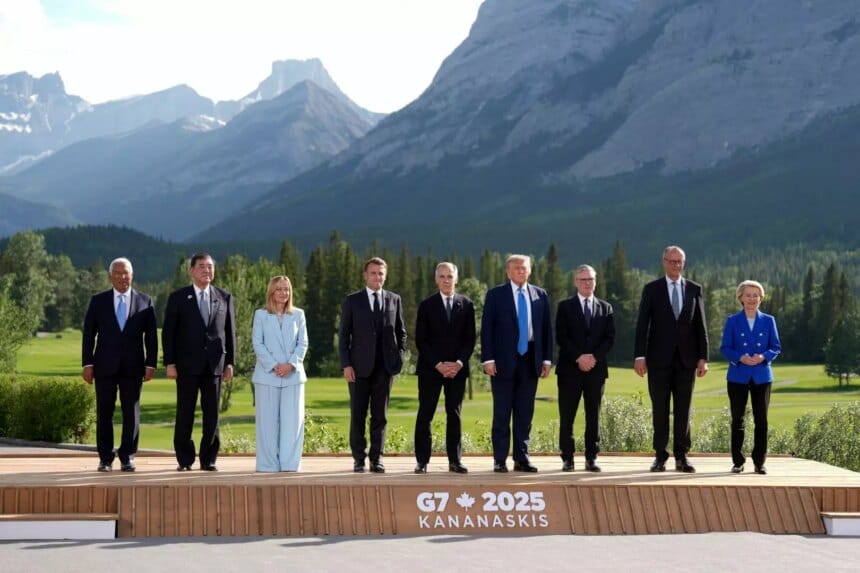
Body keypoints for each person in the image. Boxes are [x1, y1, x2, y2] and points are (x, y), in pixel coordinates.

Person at [634, 245, 708, 473]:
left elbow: (701, 325)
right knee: (660, 410)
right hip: (658, 361)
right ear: (664, 262)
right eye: (672, 261)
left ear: (683, 263)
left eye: (679, 261)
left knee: (684, 410)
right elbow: (642, 325)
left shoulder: (694, 289)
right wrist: (640, 356)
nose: (676, 265)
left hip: (687, 361)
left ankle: (682, 456)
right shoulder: (652, 289)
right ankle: (660, 456)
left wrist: (703, 357)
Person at [81, 257, 157, 472]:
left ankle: (127, 456)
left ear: (132, 275)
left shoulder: (145, 301)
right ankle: (105, 458)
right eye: (118, 273)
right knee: (104, 413)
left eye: (126, 273)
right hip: (104, 365)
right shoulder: (98, 301)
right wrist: (87, 363)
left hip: (133, 367)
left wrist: (150, 364)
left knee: (131, 413)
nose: (122, 277)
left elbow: (151, 337)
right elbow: (89, 335)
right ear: (110, 276)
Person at [162, 253, 237, 472]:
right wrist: (170, 362)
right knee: (185, 413)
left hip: (214, 365)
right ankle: (185, 460)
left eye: (210, 266)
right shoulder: (178, 297)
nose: (207, 270)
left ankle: (209, 459)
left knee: (212, 414)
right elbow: (169, 333)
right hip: (186, 366)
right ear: (191, 271)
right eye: (202, 266)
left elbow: (230, 332)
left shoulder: (224, 297)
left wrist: (230, 363)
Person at [481, 254, 552, 473]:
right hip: (502, 362)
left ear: (529, 271)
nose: (521, 271)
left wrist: (546, 359)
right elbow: (487, 329)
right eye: (517, 268)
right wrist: (488, 359)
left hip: (530, 360)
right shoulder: (496, 295)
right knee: (502, 412)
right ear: (508, 271)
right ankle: (500, 459)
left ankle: (522, 458)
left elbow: (546, 329)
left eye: (524, 268)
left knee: (525, 413)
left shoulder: (540, 295)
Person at [338, 257, 407, 473]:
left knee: (380, 416)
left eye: (381, 273)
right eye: (373, 273)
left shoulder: (394, 299)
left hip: (385, 369)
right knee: (358, 415)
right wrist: (346, 365)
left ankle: (377, 459)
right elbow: (343, 336)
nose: (377, 277)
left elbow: (401, 333)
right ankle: (359, 459)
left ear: (385, 276)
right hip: (358, 369)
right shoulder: (352, 301)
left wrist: (399, 357)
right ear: (365, 276)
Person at [413, 262, 476, 474]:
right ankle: (422, 461)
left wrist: (458, 363)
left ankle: (455, 461)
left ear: (456, 279)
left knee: (454, 414)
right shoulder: (426, 305)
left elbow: (470, 340)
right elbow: (421, 341)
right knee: (426, 413)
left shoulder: (466, 304)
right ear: (436, 279)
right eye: (442, 276)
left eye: (450, 276)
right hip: (431, 369)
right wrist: (439, 365)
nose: (446, 280)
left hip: (457, 370)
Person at [555, 264, 615, 472]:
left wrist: (593, 357)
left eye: (590, 279)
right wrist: (578, 357)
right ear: (576, 282)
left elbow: (609, 338)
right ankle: (567, 458)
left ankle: (591, 458)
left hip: (596, 370)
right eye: (583, 280)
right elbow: (561, 337)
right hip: (569, 370)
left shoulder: (605, 308)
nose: (587, 283)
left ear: (595, 282)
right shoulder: (565, 307)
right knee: (567, 415)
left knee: (593, 415)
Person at [720, 280, 781, 475]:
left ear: (761, 298)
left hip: (762, 376)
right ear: (740, 297)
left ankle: (759, 462)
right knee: (737, 420)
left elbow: (776, 347)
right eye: (748, 295)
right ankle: (738, 461)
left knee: (761, 420)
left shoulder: (769, 320)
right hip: (738, 375)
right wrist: (740, 357)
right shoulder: (732, 321)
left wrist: (763, 356)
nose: (752, 299)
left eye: (756, 295)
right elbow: (725, 347)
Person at [251, 276, 308, 472]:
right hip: (267, 375)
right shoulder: (260, 315)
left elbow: (303, 343)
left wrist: (291, 364)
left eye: (287, 289)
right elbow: (257, 343)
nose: (284, 293)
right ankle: (267, 464)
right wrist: (275, 365)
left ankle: (290, 464)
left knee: (293, 422)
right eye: (279, 289)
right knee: (266, 424)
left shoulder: (298, 314)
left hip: (293, 375)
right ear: (271, 292)